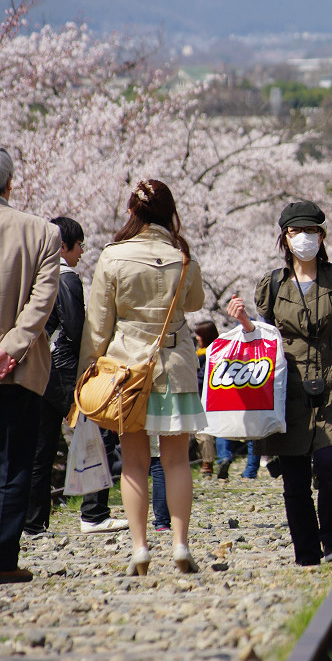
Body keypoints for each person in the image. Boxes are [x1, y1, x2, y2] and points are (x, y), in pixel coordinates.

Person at [228, 200, 332, 566]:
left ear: (322, 235)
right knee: (293, 473)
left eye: (310, 231)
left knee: (330, 461)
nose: (303, 238)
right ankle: (306, 551)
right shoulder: (273, 284)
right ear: (285, 237)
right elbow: (261, 340)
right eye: (296, 232)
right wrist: (246, 324)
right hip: (287, 384)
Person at [80, 179, 206, 575]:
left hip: (126, 372)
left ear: (133, 212)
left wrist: (87, 373)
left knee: (134, 463)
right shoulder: (182, 255)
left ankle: (139, 549)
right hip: (175, 367)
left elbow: (98, 324)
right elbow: (196, 302)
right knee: (176, 461)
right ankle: (181, 543)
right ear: (170, 213)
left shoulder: (113, 256)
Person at [24, 218, 111, 535]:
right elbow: (75, 329)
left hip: (37, 366)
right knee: (97, 433)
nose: (82, 253)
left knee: (41, 448)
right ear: (64, 246)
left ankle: (33, 522)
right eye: (80, 246)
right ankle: (94, 513)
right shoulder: (68, 277)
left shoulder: (34, 274)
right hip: (64, 367)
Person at [0, 148, 61, 583]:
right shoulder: (42, 232)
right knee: (14, 463)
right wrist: (12, 347)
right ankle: (3, 560)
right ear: (9, 183)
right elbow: (42, 303)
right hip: (18, 370)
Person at [193, 321, 219, 478]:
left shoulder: (208, 354)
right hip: (206, 394)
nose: (196, 338)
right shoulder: (204, 352)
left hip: (203, 395)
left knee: (203, 431)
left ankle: (207, 463)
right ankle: (209, 461)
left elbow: (203, 377)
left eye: (199, 335)